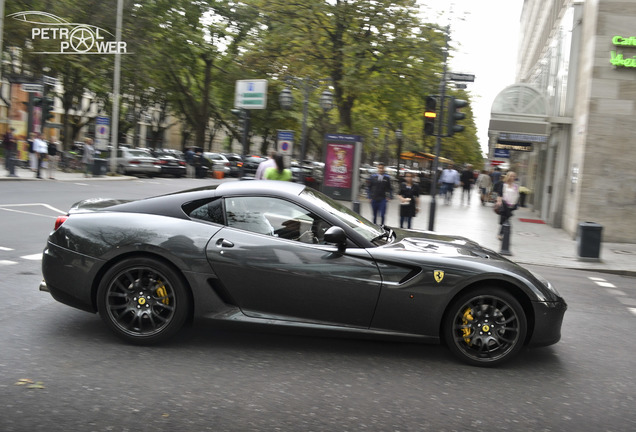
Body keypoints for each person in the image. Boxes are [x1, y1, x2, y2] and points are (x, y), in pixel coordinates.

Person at [495, 171, 520, 240]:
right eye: (511, 176)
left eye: (514, 176)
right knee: (505, 219)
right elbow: (500, 194)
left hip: (511, 205)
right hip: (504, 204)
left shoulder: (516, 186)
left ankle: (501, 233)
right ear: (508, 176)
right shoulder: (503, 184)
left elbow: (517, 195)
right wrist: (499, 201)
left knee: (505, 219)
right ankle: (501, 234)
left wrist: (516, 204)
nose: (512, 177)